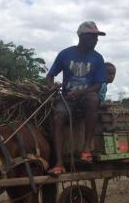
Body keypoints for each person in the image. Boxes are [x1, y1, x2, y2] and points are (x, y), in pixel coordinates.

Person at [46, 21, 107, 176]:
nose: (96, 40)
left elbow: (98, 85)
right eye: (93, 37)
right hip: (66, 98)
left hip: (85, 98)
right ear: (82, 37)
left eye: (97, 37)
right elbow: (50, 75)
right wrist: (51, 89)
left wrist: (80, 93)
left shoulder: (98, 58)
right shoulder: (65, 54)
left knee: (93, 99)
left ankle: (86, 149)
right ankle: (59, 163)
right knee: (58, 115)